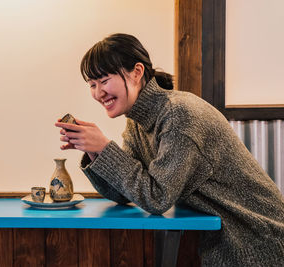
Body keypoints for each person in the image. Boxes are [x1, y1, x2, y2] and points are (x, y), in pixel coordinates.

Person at [54, 33, 284, 266]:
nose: (98, 92)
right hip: (228, 239)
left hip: (257, 239)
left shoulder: (178, 115)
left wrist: (105, 146)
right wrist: (96, 152)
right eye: (92, 85)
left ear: (136, 72)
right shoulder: (137, 121)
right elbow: (125, 193)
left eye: (104, 81)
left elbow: (157, 198)